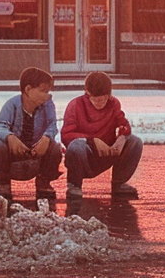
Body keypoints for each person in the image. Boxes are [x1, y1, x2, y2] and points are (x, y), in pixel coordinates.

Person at [61, 71, 142, 199]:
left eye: (104, 98)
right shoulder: (75, 105)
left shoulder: (113, 103)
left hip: (106, 153)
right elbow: (66, 135)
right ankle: (74, 185)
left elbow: (124, 124)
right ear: (87, 93)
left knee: (134, 141)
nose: (100, 102)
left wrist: (121, 138)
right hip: (85, 156)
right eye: (96, 99)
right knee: (76, 145)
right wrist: (92, 141)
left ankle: (119, 183)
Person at [0, 66, 64, 203]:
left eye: (48, 91)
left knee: (55, 148)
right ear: (28, 89)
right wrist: (10, 137)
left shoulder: (47, 104)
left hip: (37, 151)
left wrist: (46, 138)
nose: (47, 95)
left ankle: (44, 182)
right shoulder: (12, 104)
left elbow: (52, 124)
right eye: (43, 91)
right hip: (14, 153)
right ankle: (4, 184)